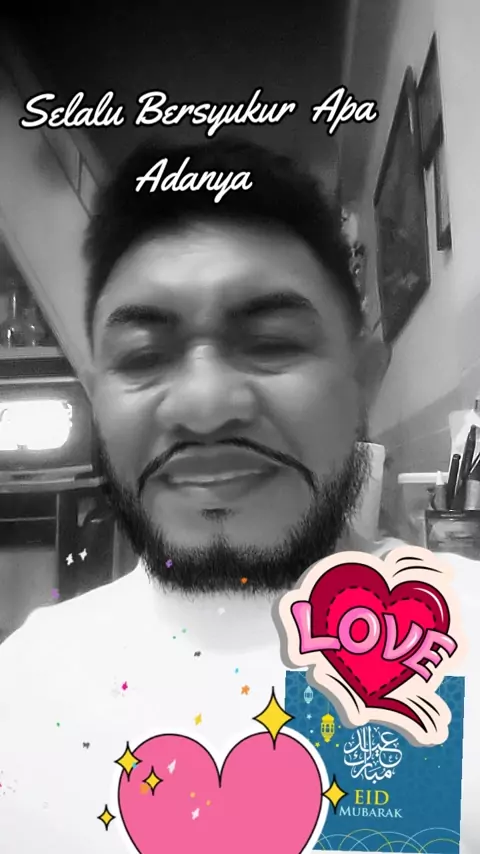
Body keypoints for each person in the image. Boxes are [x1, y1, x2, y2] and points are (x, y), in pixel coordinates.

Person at [0, 139, 477, 853]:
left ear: (364, 380)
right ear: (99, 402)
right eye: (144, 357)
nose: (205, 406)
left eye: (272, 343)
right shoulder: (24, 695)